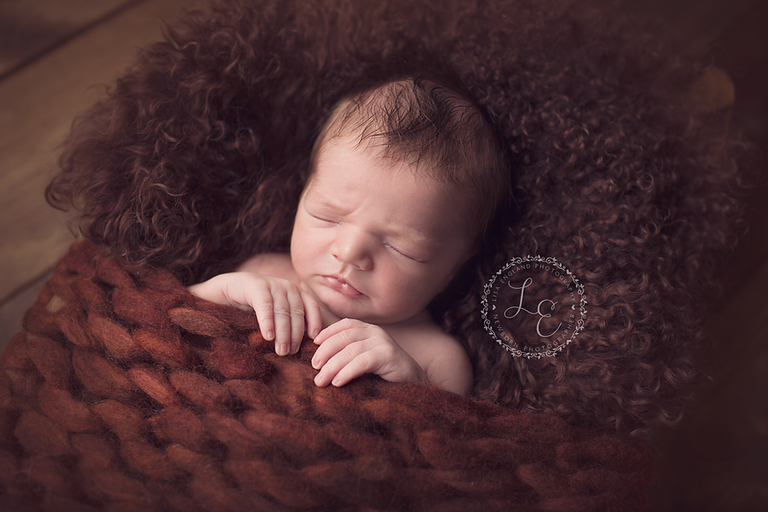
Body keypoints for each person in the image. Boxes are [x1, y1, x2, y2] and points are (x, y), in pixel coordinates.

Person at [189, 78, 509, 396]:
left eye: (401, 247)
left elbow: (450, 434)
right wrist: (222, 291)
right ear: (302, 195)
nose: (349, 251)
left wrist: (410, 381)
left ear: (453, 266)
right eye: (327, 216)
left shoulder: (436, 356)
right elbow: (170, 319)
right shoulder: (262, 272)